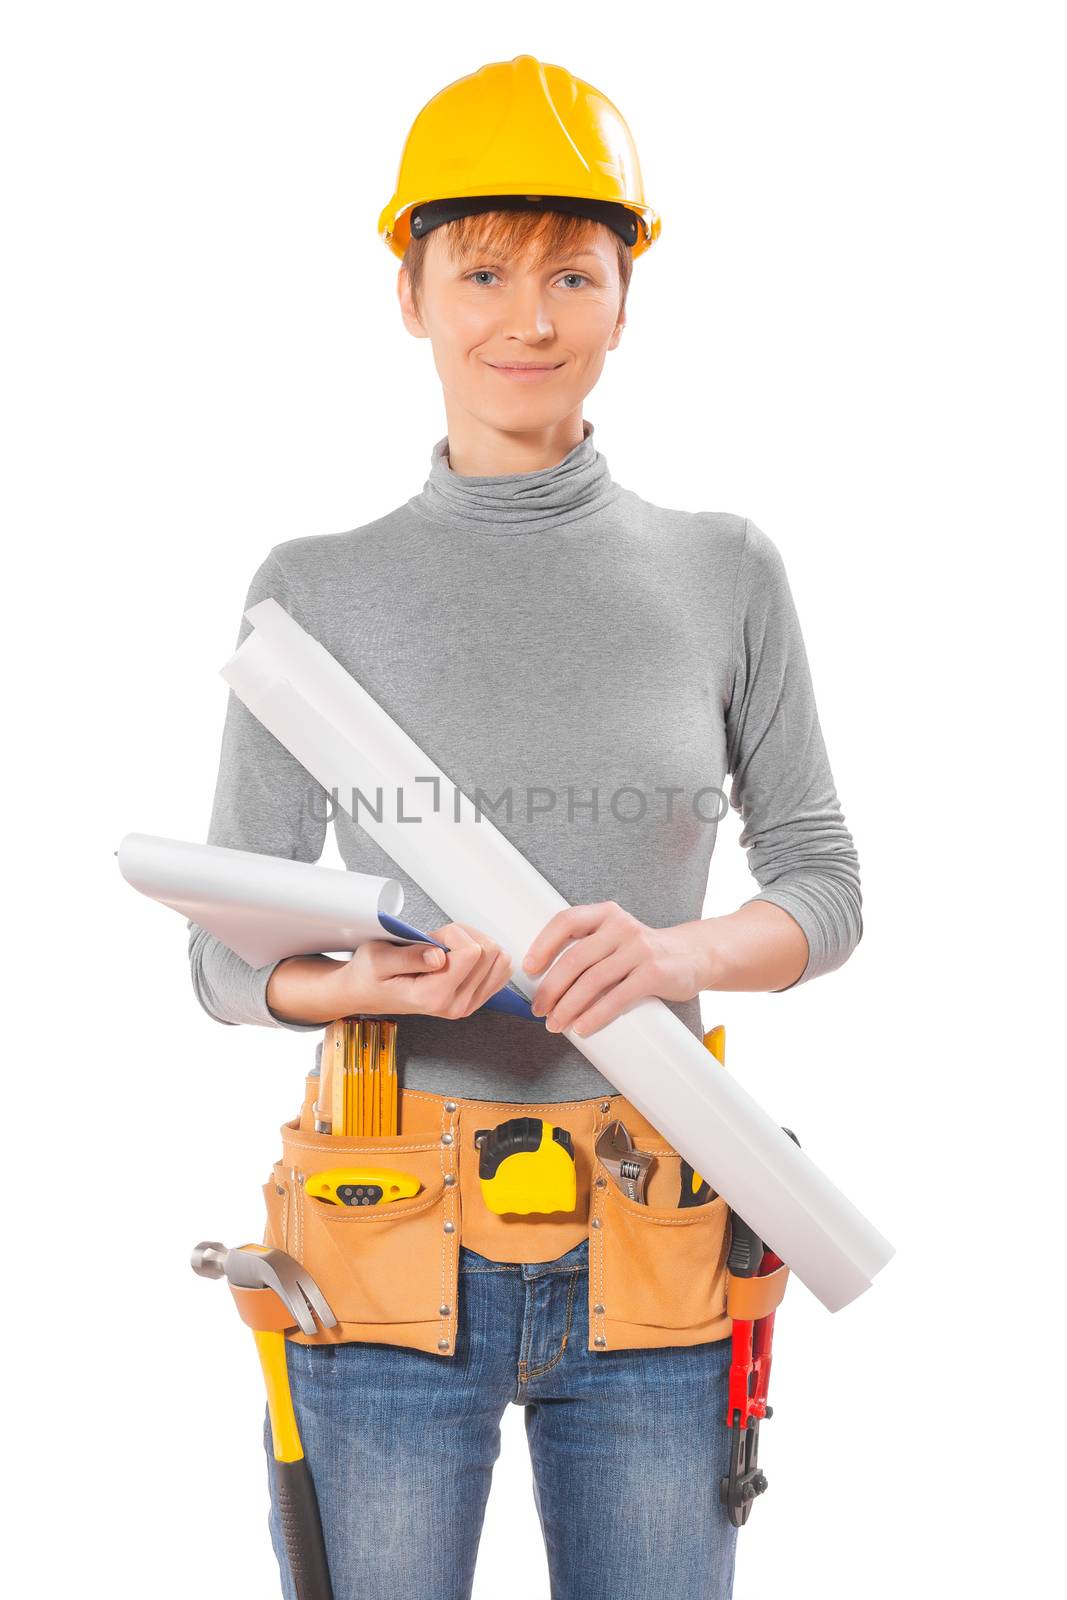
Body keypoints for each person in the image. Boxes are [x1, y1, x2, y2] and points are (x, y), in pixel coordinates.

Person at [189, 55, 861, 1600]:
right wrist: (360, 981)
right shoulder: (315, 591)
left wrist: (671, 949)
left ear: (629, 295)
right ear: (410, 291)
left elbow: (825, 890)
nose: (529, 318)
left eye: (574, 271)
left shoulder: (725, 572)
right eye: (480, 270)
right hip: (380, 1245)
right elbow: (228, 970)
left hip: (656, 1241)